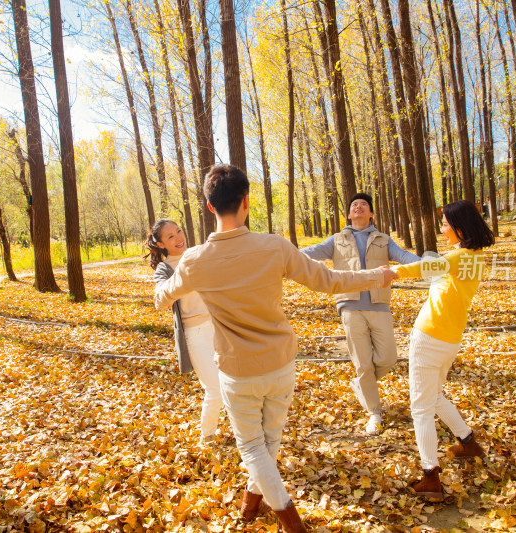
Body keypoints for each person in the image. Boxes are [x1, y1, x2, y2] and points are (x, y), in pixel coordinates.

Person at [155, 165, 397, 532]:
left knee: (254, 448)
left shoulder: (193, 260)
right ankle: (251, 504)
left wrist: (161, 278)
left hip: (237, 371)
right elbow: (329, 280)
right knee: (269, 443)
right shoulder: (274, 246)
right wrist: (376, 275)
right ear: (247, 202)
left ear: (208, 206)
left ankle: (290, 523)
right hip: (281, 364)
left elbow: (162, 298)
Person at [392, 200, 495, 501]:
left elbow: (420, 268)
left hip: (430, 337)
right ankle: (467, 441)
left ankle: (430, 477)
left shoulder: (457, 257)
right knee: (434, 396)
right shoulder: (474, 257)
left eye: (445, 223)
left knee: (420, 408)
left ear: (460, 226)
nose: (441, 227)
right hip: (450, 337)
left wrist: (387, 272)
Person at [302, 192, 419, 434]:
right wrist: (282, 253)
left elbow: (404, 257)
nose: (358, 207)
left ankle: (361, 384)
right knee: (363, 363)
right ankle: (374, 413)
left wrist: (427, 265)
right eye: (354, 204)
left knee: (388, 358)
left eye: (363, 204)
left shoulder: (383, 239)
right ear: (348, 214)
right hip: (350, 305)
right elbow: (311, 252)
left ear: (371, 213)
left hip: (379, 304)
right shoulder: (337, 240)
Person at [145, 219, 223, 445]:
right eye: (170, 236)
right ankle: (206, 437)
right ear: (160, 244)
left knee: (235, 383)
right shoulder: (165, 268)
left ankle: (246, 434)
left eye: (178, 231)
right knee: (215, 389)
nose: (178, 238)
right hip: (195, 333)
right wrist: (181, 279)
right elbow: (160, 299)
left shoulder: (200, 253)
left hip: (221, 326)